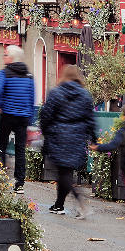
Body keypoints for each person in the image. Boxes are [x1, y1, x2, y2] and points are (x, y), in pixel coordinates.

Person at [37, 65, 95, 219]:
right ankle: (59, 204)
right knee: (65, 172)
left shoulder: (56, 93)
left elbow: (46, 116)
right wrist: (93, 138)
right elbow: (90, 119)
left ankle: (80, 201)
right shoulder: (85, 95)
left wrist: (45, 132)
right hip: (77, 137)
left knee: (63, 174)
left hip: (59, 136)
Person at [0, 45, 35, 194]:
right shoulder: (29, 76)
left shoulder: (5, 73)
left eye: (5, 55)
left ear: (11, 58)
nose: (3, 57)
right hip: (23, 117)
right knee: (20, 150)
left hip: (8, 114)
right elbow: (31, 99)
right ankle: (20, 183)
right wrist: (30, 119)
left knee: (2, 145)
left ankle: (2, 177)